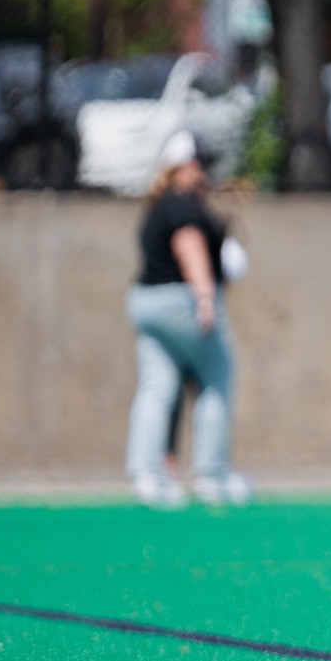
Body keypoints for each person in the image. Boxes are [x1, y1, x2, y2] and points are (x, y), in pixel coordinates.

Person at [123, 132, 251, 509]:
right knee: (217, 376)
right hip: (181, 300)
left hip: (145, 301)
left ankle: (148, 475)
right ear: (180, 166)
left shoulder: (158, 205)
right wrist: (205, 296)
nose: (201, 171)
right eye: (195, 164)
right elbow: (189, 245)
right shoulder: (182, 206)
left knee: (157, 386)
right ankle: (212, 475)